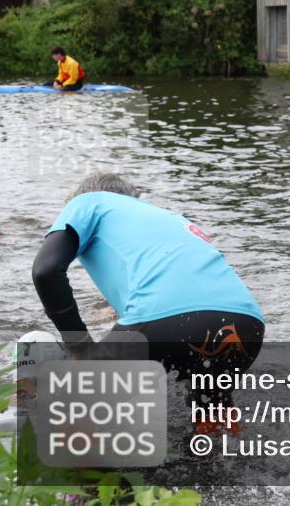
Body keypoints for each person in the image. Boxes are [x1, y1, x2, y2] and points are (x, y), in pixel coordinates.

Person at [31, 173, 265, 436]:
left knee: (75, 409)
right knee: (213, 421)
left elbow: (45, 271)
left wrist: (80, 347)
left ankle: (80, 474)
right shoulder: (170, 218)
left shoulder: (87, 202)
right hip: (247, 325)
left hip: (167, 321)